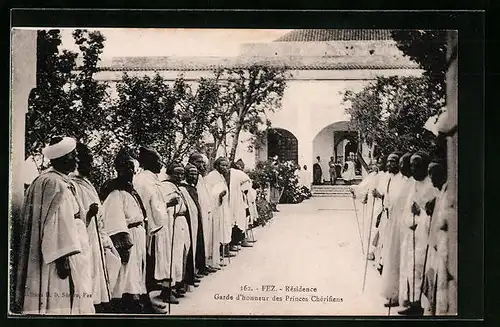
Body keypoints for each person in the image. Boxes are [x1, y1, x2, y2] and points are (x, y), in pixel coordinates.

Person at [14, 136, 95, 315]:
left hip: (55, 251)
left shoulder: (45, 180)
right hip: (59, 255)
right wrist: (63, 258)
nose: (77, 159)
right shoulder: (56, 184)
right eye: (73, 155)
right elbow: (57, 224)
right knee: (59, 296)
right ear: (64, 157)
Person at [99, 149, 149, 314]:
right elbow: (114, 219)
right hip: (128, 235)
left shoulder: (130, 190)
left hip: (138, 233)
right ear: (118, 169)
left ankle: (140, 300)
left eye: (131, 167)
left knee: (136, 272)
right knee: (126, 273)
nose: (130, 171)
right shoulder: (115, 191)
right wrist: (123, 244)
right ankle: (126, 304)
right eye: (125, 167)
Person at [133, 147, 179, 308]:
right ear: (149, 163)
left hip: (158, 224)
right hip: (150, 227)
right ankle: (144, 300)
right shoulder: (144, 181)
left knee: (156, 261)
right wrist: (168, 204)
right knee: (147, 263)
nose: (161, 164)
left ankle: (153, 295)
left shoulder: (152, 179)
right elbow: (148, 205)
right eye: (158, 161)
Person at [71, 142, 114, 313]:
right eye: (87, 163)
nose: (90, 166)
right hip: (83, 237)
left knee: (96, 271)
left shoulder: (86, 183)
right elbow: (73, 216)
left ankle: (98, 302)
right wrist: (88, 215)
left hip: (94, 236)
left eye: (91, 162)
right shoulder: (73, 184)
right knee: (86, 273)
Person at [398, 152, 438, 316]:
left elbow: (431, 211)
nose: (414, 168)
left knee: (422, 267)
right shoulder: (413, 184)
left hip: (425, 235)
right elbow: (407, 209)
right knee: (411, 267)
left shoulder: (431, 185)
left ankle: (423, 305)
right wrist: (410, 219)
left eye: (417, 165)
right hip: (412, 232)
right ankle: (413, 302)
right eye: (412, 165)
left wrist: (420, 211)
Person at [379, 152, 413, 308]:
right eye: (389, 161)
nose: (391, 164)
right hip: (392, 223)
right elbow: (389, 200)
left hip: (405, 226)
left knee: (404, 260)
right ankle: (393, 295)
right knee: (392, 258)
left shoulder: (407, 181)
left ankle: (406, 298)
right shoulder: (390, 179)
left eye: (395, 161)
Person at [161, 162, 199, 295]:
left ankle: (178, 283)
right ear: (170, 173)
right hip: (173, 222)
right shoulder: (165, 186)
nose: (180, 176)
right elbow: (161, 207)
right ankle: (167, 289)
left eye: (182, 173)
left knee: (182, 252)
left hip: (182, 222)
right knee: (172, 255)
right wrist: (170, 205)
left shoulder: (178, 187)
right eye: (176, 173)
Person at [421, 158, 448, 315]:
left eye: (434, 173)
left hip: (442, 244)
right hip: (433, 242)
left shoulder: (447, 191)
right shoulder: (438, 192)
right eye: (429, 173)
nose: (431, 177)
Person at [188, 153, 220, 272]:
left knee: (205, 239)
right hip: (198, 213)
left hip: (206, 212)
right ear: (191, 162)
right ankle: (197, 268)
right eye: (198, 162)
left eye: (202, 162)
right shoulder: (192, 177)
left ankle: (204, 264)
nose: (201, 165)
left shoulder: (201, 177)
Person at [180, 163, 211, 278]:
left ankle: (197, 268)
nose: (194, 176)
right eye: (191, 173)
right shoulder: (183, 188)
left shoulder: (194, 187)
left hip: (197, 218)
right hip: (188, 220)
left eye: (195, 174)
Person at [205, 157, 233, 260]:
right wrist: (218, 196)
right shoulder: (212, 176)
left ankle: (221, 251)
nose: (225, 167)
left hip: (223, 207)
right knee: (216, 230)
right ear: (216, 166)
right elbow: (208, 193)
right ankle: (214, 254)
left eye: (226, 165)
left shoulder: (221, 176)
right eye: (222, 165)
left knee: (223, 227)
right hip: (216, 207)